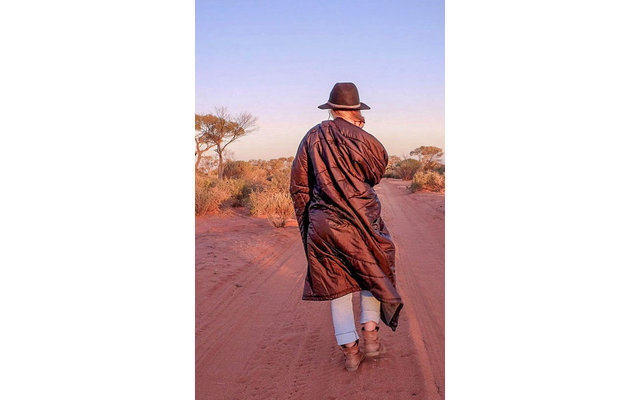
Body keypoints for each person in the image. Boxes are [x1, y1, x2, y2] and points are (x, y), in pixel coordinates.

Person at [289, 82, 404, 372]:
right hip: (363, 218)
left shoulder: (312, 136)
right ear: (357, 109)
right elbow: (375, 173)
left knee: (336, 282)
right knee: (372, 272)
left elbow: (299, 185)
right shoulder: (367, 140)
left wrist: (309, 222)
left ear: (332, 109)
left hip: (324, 223)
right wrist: (358, 134)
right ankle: (371, 335)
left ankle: (351, 352)